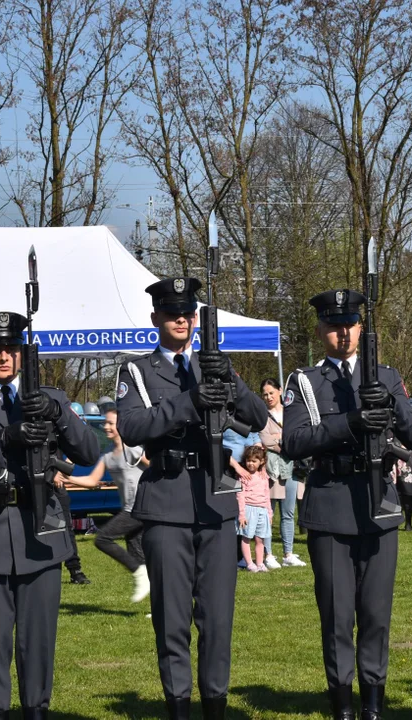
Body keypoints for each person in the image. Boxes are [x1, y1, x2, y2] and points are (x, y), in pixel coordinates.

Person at [116, 277, 268, 720]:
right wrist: (189, 401)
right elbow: (132, 428)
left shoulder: (213, 363)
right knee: (173, 618)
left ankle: (215, 706)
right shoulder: (139, 371)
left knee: (218, 618)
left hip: (216, 499)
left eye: (188, 312)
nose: (180, 319)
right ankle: (179, 706)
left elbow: (258, 418)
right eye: (171, 313)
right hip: (166, 499)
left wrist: (230, 381)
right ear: (155, 319)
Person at [0, 310, 100, 720]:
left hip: (41, 529)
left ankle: (36, 711)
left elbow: (89, 453)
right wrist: (4, 436)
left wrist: (57, 413)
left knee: (38, 641)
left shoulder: (51, 398)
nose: (4, 357)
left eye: (11, 349)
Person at [282, 288, 412, 720]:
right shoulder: (304, 382)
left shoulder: (385, 374)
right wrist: (348, 423)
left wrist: (392, 405)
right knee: (338, 615)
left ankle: (374, 703)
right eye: (333, 326)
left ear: (361, 328)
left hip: (377, 503)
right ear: (320, 330)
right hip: (330, 505)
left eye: (349, 325)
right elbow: (293, 441)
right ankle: (342, 702)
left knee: (377, 615)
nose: (342, 333)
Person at [59, 408, 150, 602]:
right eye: (106, 423)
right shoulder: (108, 456)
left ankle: (142, 575)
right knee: (140, 558)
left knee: (102, 539)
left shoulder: (134, 449)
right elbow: (92, 480)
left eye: (110, 423)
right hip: (129, 509)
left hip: (139, 509)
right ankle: (156, 604)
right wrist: (68, 477)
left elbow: (155, 466)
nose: (106, 426)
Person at [258, 378, 305, 567]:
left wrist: (280, 440)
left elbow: (298, 434)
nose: (268, 397)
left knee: (288, 513)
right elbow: (265, 439)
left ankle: (288, 553)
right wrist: (285, 444)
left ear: (280, 391)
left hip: (292, 468)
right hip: (271, 470)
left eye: (271, 392)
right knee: (268, 513)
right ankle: (268, 555)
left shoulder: (291, 413)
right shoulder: (262, 416)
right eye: (265, 394)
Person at [236, 445, 272, 572]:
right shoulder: (243, 476)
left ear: (261, 462)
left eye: (254, 461)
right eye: (248, 460)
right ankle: (249, 563)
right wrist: (242, 514)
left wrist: (270, 513)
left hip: (262, 510)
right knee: (246, 537)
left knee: (260, 539)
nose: (250, 463)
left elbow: (267, 495)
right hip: (248, 509)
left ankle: (260, 563)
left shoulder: (264, 476)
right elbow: (240, 495)